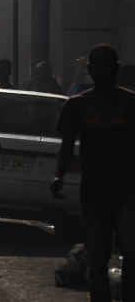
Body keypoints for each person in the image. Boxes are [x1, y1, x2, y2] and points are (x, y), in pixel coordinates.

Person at [51, 44, 134, 302]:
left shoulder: (80, 105)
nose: (101, 71)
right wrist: (59, 176)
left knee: (110, 256)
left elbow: (66, 147)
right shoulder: (79, 105)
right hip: (106, 191)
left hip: (118, 191)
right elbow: (66, 147)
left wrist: (60, 176)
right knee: (103, 256)